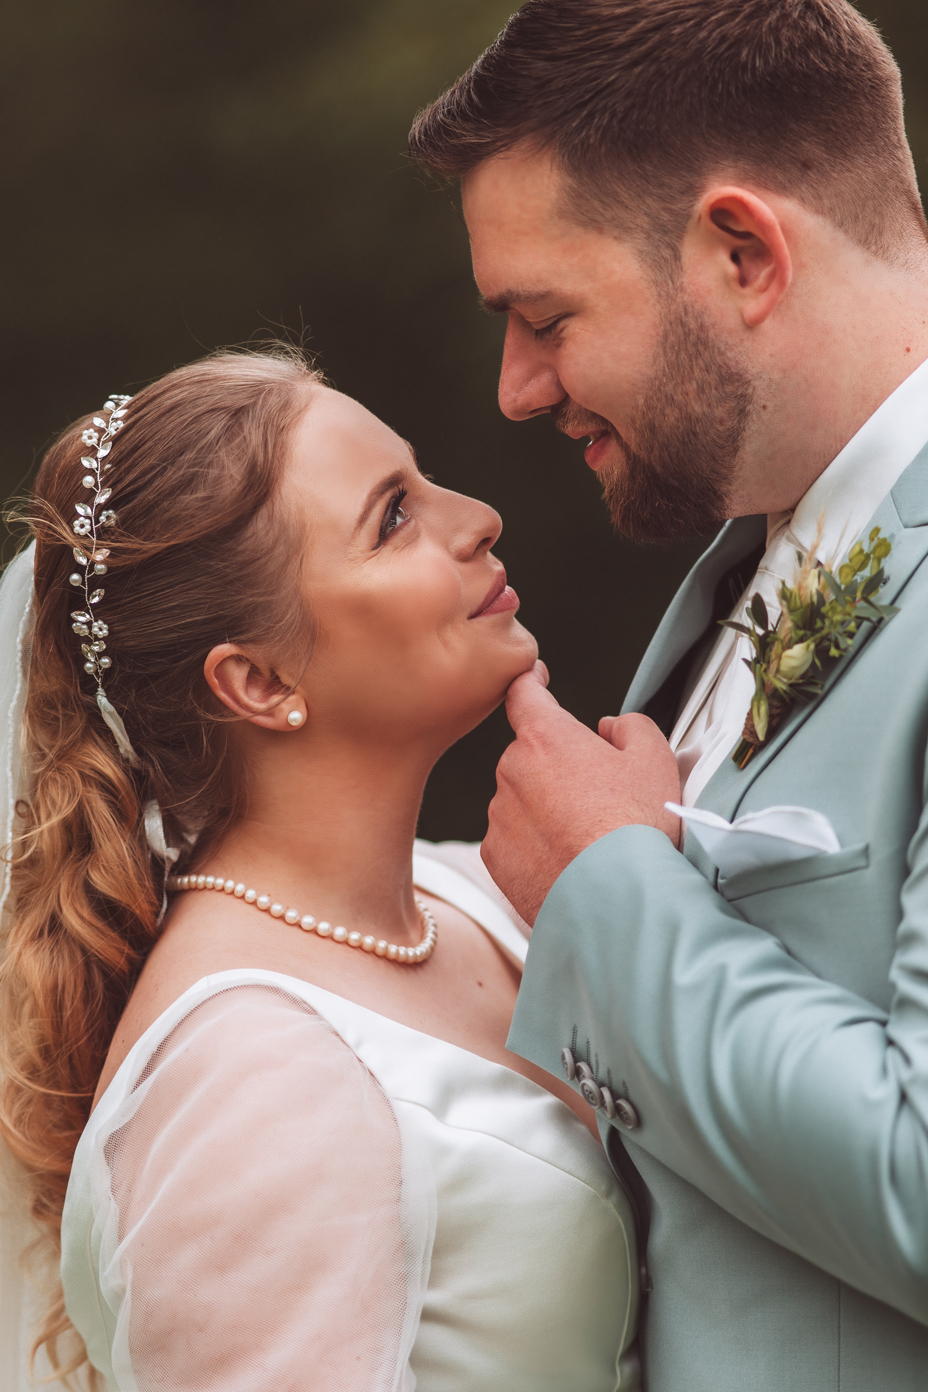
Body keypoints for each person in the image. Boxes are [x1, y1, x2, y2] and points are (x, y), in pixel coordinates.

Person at [409, 1, 928, 1389]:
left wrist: (611, 884)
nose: (517, 390)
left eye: (545, 317)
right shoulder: (743, 560)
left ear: (743, 253)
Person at [0, 349, 640, 1392]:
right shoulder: (247, 1077)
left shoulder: (459, 896)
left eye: (423, 477)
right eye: (393, 516)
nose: (476, 515)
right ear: (257, 680)